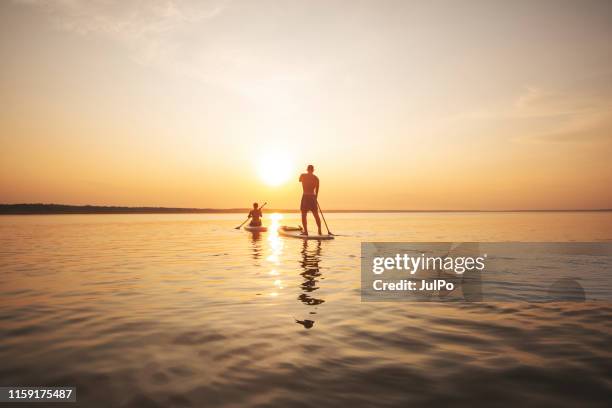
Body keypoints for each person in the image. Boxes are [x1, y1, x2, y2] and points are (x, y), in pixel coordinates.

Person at [299, 165, 322, 235]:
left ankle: (306, 232)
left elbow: (299, 180)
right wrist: (315, 197)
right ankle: (319, 230)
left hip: (305, 196)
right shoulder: (316, 178)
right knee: (316, 215)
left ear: (307, 170)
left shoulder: (303, 175)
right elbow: (317, 190)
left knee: (303, 214)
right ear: (313, 170)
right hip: (313, 197)